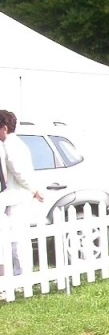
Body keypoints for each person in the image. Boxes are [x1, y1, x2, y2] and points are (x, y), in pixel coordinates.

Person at [0, 109, 45, 276]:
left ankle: (21, 276)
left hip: (17, 198)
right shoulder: (17, 143)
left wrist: (35, 190)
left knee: (16, 240)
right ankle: (21, 274)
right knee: (18, 239)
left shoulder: (10, 145)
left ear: (4, 128)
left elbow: (19, 172)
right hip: (19, 197)